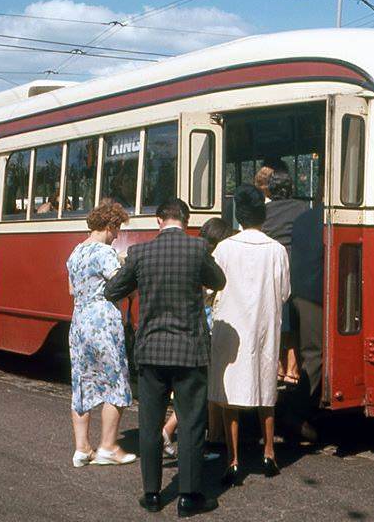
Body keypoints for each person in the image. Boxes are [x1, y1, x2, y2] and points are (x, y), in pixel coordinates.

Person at [104, 198, 226, 517]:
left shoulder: (140, 253)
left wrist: (138, 285)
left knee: (150, 421)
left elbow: (112, 291)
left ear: (160, 220)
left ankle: (152, 494)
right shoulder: (198, 250)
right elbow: (219, 281)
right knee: (191, 421)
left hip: (152, 350)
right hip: (189, 350)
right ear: (186, 221)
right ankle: (189, 496)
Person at [209, 185, 290, 486]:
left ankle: (233, 460)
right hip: (264, 327)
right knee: (265, 388)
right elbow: (284, 292)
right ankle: (269, 452)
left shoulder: (225, 248)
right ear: (264, 215)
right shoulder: (277, 250)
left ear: (238, 215)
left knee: (231, 392)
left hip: (231, 327)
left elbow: (210, 287)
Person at [65, 200, 136, 469]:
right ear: (110, 225)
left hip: (79, 320)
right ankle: (108, 447)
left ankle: (82, 448)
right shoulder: (105, 253)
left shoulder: (75, 252)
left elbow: (72, 290)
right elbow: (121, 285)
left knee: (81, 382)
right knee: (115, 380)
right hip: (103, 320)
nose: (117, 235)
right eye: (117, 230)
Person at [161, 217, 236, 458]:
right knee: (198, 391)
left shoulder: (192, 256)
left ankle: (205, 436)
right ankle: (171, 431)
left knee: (196, 390)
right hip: (205, 329)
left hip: (186, 329)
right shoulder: (208, 263)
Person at [262, 169, 307, 387]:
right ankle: (293, 368)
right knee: (294, 320)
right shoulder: (301, 208)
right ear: (290, 189)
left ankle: (278, 368)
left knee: (277, 317)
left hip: (271, 266)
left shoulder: (264, 210)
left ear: (270, 189)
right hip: (295, 265)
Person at [287, 201, 325, 440]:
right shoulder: (327, 219)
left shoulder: (303, 218)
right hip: (316, 295)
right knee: (315, 354)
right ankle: (294, 412)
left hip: (299, 293)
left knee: (308, 353)